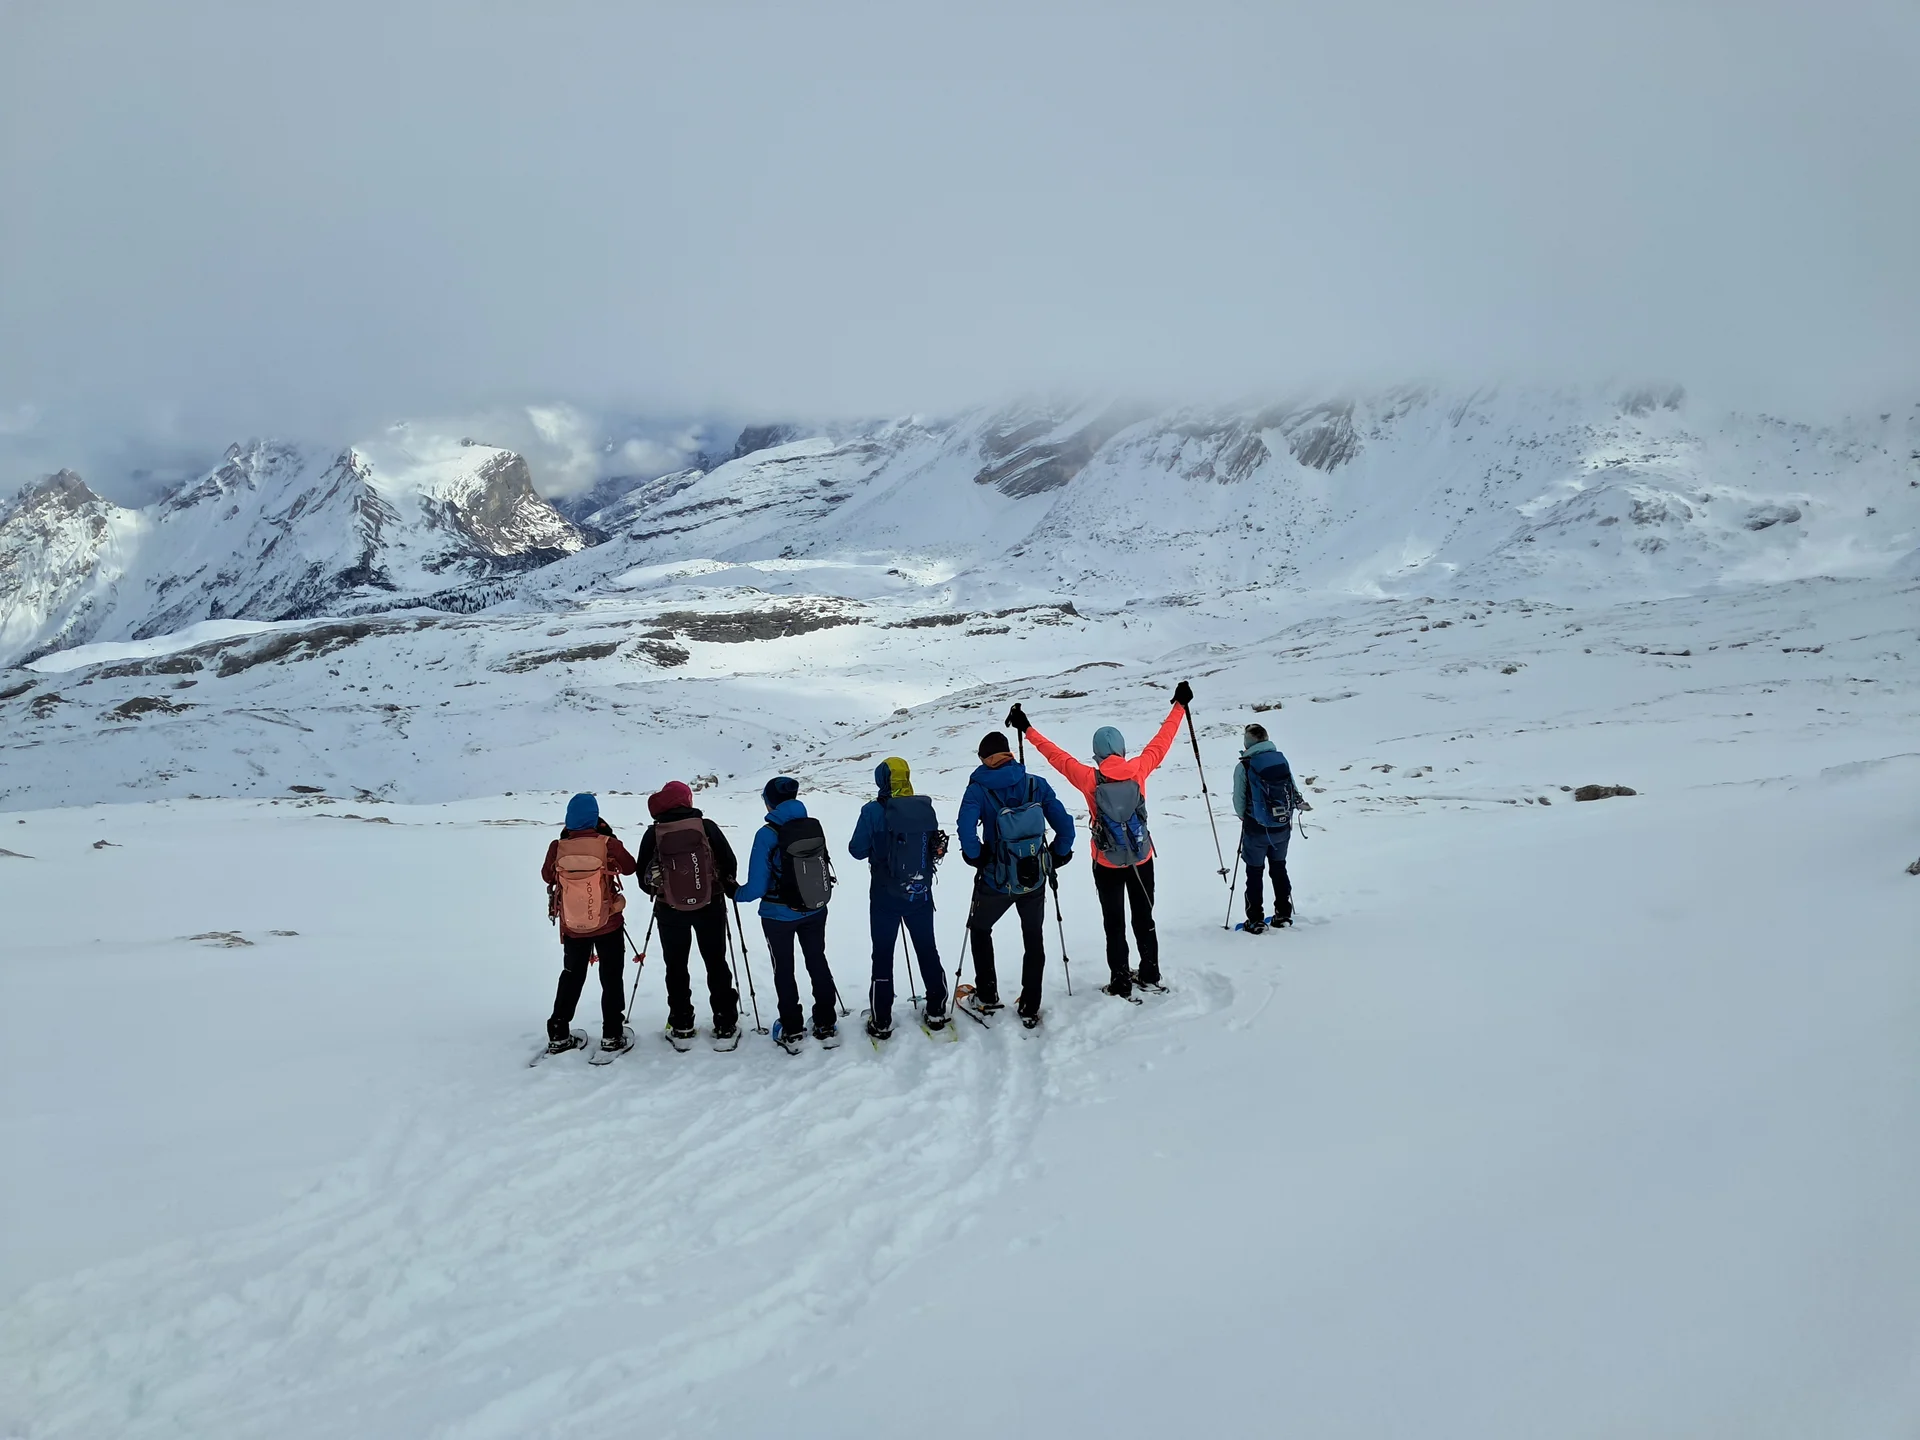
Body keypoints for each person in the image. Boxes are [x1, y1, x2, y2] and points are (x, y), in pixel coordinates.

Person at [1009, 680, 1191, 999]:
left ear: (1097, 754)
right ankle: (1149, 972)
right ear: (1121, 749)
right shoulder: (1138, 768)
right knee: (1143, 915)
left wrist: (1027, 729)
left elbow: (1056, 756)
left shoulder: (1090, 778)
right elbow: (1162, 742)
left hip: (1105, 860)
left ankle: (1120, 979)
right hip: (1140, 856)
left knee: (1114, 922)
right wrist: (1179, 706)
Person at [956, 731, 1075, 1027]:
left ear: (985, 759)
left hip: (996, 877)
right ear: (1009, 754)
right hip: (1034, 876)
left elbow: (965, 829)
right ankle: (1030, 1004)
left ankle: (986, 994)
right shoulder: (1036, 783)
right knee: (1033, 937)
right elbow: (1066, 826)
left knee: (980, 928)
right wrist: (1057, 855)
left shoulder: (977, 790)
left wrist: (976, 857)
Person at [734, 776, 842, 1051]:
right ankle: (826, 1022)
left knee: (784, 968)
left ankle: (792, 1028)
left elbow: (757, 886)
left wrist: (735, 892)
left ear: (770, 801)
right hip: (815, 908)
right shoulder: (811, 825)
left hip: (778, 915)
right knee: (817, 960)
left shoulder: (767, 833)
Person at [848, 757, 950, 1039]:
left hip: (884, 895)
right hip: (919, 893)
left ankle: (881, 1019)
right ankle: (937, 1009)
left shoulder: (872, 811)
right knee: (927, 949)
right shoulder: (923, 808)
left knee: (882, 954)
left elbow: (856, 849)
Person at [634, 780, 741, 1045]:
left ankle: (682, 1023)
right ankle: (725, 1021)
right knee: (716, 962)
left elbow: (642, 877)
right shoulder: (706, 827)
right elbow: (729, 862)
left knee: (676, 966)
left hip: (670, 910)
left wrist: (660, 889)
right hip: (710, 905)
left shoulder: (654, 832)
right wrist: (725, 886)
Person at [539, 792, 637, 1053]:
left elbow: (547, 876)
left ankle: (558, 1033)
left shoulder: (557, 847)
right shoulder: (607, 844)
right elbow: (630, 867)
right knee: (611, 975)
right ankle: (612, 1034)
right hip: (608, 923)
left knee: (572, 975)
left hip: (572, 925)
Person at [1232, 722, 1308, 932]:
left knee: (1254, 873)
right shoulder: (1280, 761)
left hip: (1256, 828)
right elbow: (1292, 789)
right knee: (1279, 868)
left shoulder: (1245, 766)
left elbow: (1239, 799)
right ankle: (1283, 914)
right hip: (1282, 827)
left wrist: (1245, 817)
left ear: (1248, 742)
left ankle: (1255, 920)